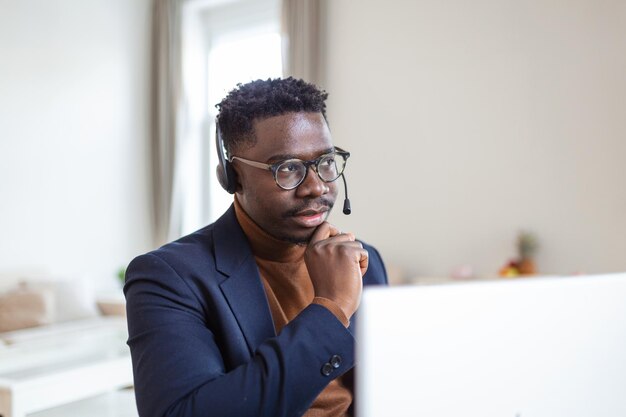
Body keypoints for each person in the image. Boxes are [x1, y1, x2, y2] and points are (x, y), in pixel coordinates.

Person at [124, 77, 388, 417]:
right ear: (232, 177)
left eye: (325, 162)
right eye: (288, 168)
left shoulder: (365, 259)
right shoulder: (168, 277)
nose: (315, 186)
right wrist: (332, 308)